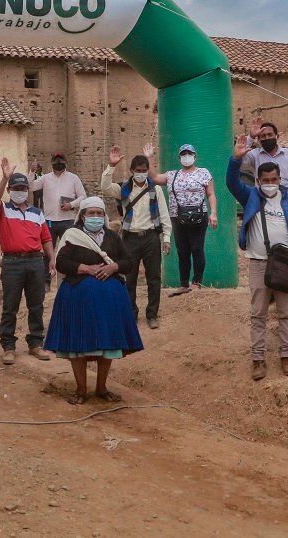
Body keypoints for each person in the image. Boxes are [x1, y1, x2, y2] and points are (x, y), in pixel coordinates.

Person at [226, 140, 288, 380]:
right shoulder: (251, 196)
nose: (271, 184)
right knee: (258, 314)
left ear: (280, 179)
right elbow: (232, 183)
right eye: (266, 180)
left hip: (286, 263)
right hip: (259, 263)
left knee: (286, 312)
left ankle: (286, 356)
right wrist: (235, 159)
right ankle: (258, 360)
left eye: (274, 180)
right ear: (258, 181)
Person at [45, 197, 143, 404]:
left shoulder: (112, 237)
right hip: (77, 299)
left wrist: (112, 267)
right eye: (91, 213)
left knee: (106, 345)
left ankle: (101, 388)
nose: (96, 217)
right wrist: (86, 269)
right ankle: (81, 390)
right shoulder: (72, 236)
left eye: (99, 213)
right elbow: (62, 262)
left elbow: (128, 262)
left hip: (109, 303)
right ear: (82, 216)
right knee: (78, 345)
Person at [0, 160, 56, 365]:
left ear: (28, 190)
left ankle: (36, 343)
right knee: (10, 306)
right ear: (10, 190)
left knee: (36, 304)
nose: (20, 191)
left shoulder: (37, 213)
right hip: (12, 263)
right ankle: (8, 347)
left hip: (36, 262)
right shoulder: (3, 210)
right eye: (16, 188)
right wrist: (4, 178)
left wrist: (52, 259)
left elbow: (46, 238)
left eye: (23, 188)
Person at [101, 146, 172, 328]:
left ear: (148, 171)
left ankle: (152, 314)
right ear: (132, 171)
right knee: (129, 278)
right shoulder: (124, 188)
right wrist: (111, 165)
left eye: (144, 171)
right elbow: (105, 187)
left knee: (154, 278)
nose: (141, 174)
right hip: (130, 239)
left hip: (150, 237)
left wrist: (166, 238)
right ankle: (131, 313)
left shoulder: (155, 190)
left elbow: (164, 214)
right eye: (138, 171)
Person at [145, 143, 218, 295]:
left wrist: (213, 213)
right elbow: (155, 177)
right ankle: (183, 283)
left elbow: (211, 194)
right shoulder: (172, 175)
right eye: (184, 154)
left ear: (195, 156)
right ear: (179, 158)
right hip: (178, 217)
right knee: (182, 251)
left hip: (199, 216)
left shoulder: (203, 173)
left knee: (197, 249)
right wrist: (149, 158)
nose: (187, 157)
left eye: (189, 154)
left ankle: (197, 282)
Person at [242, 118, 288, 209]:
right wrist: (251, 137)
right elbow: (239, 161)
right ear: (259, 139)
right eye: (263, 136)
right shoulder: (254, 155)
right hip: (265, 204)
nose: (267, 138)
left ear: (277, 136)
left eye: (270, 134)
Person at [29, 152, 86, 245]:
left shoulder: (74, 178)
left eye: (60, 160)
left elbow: (83, 197)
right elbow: (31, 187)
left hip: (68, 221)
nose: (58, 162)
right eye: (56, 160)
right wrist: (31, 172)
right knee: (48, 250)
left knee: (69, 249)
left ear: (65, 162)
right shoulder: (45, 178)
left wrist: (71, 205)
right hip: (49, 221)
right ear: (52, 162)